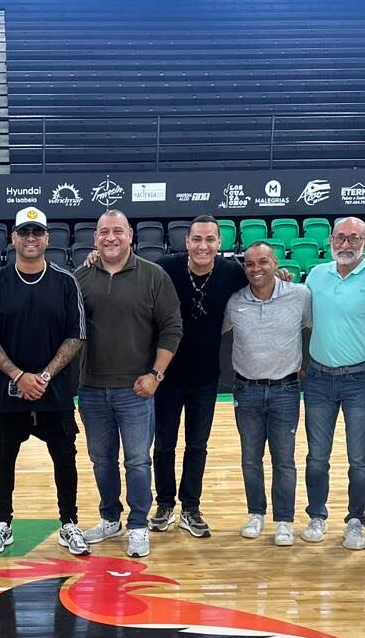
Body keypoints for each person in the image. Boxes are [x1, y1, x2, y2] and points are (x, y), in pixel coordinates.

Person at [0, 207, 88, 556]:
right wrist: (19, 376)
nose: (30, 238)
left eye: (37, 232)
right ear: (13, 238)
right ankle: (2, 523)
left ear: (47, 239)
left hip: (55, 393)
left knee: (65, 459)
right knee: (2, 461)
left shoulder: (66, 282)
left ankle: (69, 523)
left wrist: (44, 376)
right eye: (24, 232)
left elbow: (76, 336)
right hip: (7, 393)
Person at [74, 210, 182, 558]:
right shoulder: (80, 277)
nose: (110, 238)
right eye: (103, 232)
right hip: (91, 389)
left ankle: (138, 525)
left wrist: (156, 375)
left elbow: (172, 328)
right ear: (95, 238)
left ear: (130, 235)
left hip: (136, 390)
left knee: (137, 462)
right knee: (101, 460)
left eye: (118, 231)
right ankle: (110, 519)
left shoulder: (154, 276)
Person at [151, 215, 249, 538]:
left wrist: (283, 275)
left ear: (219, 243)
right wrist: (95, 257)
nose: (202, 246)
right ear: (187, 242)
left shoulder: (232, 272)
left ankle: (190, 508)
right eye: (196, 239)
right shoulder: (166, 267)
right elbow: (132, 271)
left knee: (197, 445)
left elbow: (262, 277)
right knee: (164, 445)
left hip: (206, 378)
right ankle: (164, 504)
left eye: (209, 239)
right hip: (167, 376)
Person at [302, 218, 365, 551]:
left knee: (360, 458)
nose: (346, 244)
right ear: (330, 240)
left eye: (354, 238)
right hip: (318, 378)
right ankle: (317, 516)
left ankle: (356, 521)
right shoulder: (316, 275)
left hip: (361, 378)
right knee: (317, 457)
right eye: (340, 238)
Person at [224, 242, 313, 546]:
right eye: (249, 264)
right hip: (245, 389)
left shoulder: (300, 295)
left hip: (285, 390)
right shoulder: (234, 301)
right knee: (251, 458)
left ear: (276, 263)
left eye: (263, 261)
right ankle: (256, 514)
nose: (256, 268)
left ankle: (284, 520)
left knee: (284, 459)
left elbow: (316, 327)